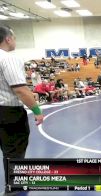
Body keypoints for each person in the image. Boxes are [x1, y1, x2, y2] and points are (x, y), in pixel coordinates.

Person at [0, 25, 44, 194]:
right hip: (8, 112)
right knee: (14, 151)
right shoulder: (9, 58)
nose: (15, 41)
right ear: (8, 39)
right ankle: (13, 188)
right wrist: (38, 111)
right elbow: (20, 89)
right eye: (15, 38)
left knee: (6, 149)